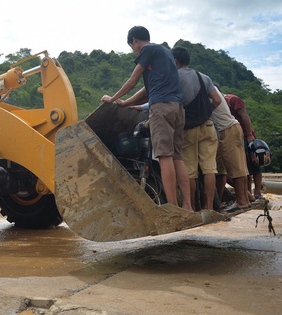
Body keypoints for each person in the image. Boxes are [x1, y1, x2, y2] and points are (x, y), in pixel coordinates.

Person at [102, 26, 192, 211]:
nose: (134, 50)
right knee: (177, 158)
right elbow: (145, 90)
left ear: (134, 40)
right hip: (177, 107)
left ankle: (172, 207)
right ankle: (188, 207)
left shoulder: (148, 50)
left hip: (162, 108)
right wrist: (125, 103)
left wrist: (112, 99)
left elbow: (133, 80)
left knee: (164, 156)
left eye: (132, 46)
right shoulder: (165, 53)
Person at [171, 46, 221, 211]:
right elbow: (217, 100)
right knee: (209, 168)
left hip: (188, 128)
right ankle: (209, 208)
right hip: (208, 126)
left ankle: (191, 206)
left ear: (175, 61)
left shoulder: (173, 77)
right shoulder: (203, 77)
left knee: (190, 171)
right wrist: (206, 112)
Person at [211, 86, 252, 212]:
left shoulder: (206, 89)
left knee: (236, 167)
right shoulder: (207, 87)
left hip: (228, 129)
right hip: (221, 132)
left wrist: (250, 135)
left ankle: (242, 201)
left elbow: (244, 115)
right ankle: (243, 199)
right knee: (221, 170)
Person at [225, 93, 264, 202]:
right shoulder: (222, 101)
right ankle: (248, 193)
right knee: (244, 167)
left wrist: (250, 135)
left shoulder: (232, 100)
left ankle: (257, 193)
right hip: (235, 137)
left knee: (254, 165)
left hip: (246, 137)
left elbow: (244, 115)